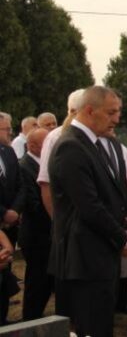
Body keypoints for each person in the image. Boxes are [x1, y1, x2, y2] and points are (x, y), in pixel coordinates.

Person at [48, 86, 127, 336]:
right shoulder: (71, 146)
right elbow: (89, 205)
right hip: (84, 256)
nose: (117, 119)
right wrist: (121, 237)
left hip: (99, 252)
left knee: (101, 322)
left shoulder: (95, 143)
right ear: (89, 110)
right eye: (111, 112)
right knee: (92, 326)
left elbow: (114, 192)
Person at [19, 128, 53, 320]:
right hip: (36, 235)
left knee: (46, 280)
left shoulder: (43, 163)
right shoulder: (25, 166)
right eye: (45, 144)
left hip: (47, 233)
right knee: (36, 280)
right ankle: (30, 319)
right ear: (32, 146)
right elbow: (33, 204)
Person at [37, 89, 86, 218]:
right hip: (69, 219)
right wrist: (57, 222)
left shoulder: (101, 136)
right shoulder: (55, 137)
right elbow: (46, 183)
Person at [0, 111, 24, 324]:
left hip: (10, 224)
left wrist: (15, 210)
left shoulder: (8, 153)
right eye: (6, 129)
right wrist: (3, 212)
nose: (10, 132)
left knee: (6, 268)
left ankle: (3, 316)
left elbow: (19, 185)